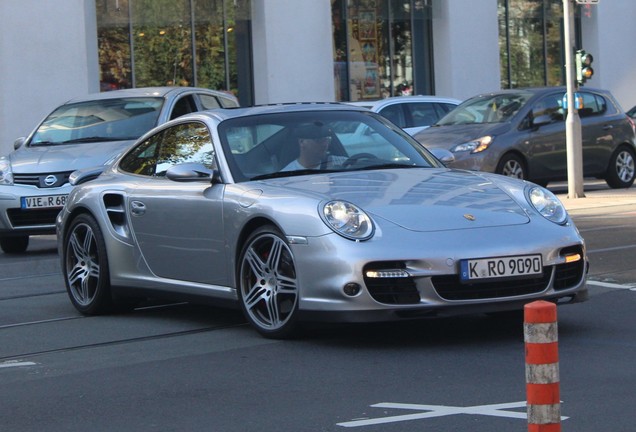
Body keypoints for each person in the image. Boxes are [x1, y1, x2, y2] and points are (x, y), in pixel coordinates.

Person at [281, 122, 346, 171]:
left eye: (327, 139)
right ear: (301, 142)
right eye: (318, 140)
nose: (325, 144)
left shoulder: (342, 162)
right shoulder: (287, 174)